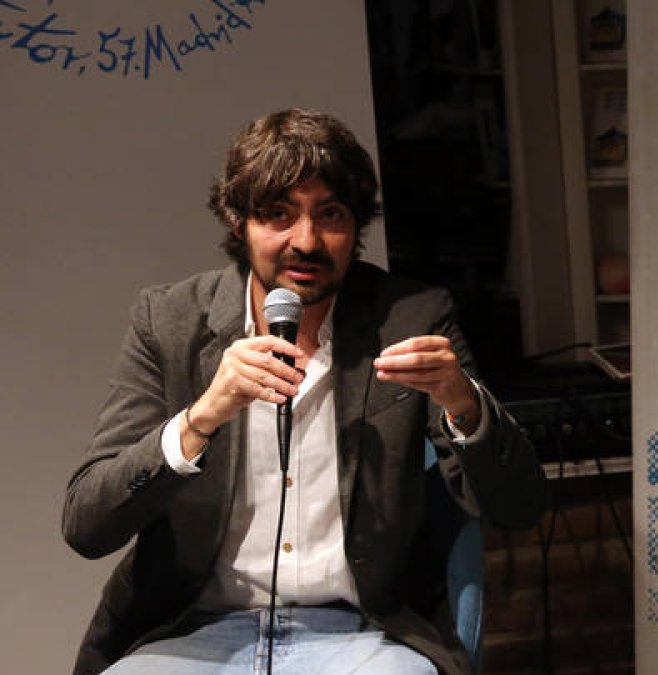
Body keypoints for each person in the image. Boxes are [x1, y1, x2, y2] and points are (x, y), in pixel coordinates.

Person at [62, 108, 546, 675]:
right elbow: (87, 526)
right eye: (278, 215)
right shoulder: (168, 322)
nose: (306, 241)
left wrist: (464, 403)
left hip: (363, 633)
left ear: (356, 227)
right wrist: (200, 419)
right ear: (238, 222)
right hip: (193, 630)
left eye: (330, 215)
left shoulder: (412, 316)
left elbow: (520, 508)